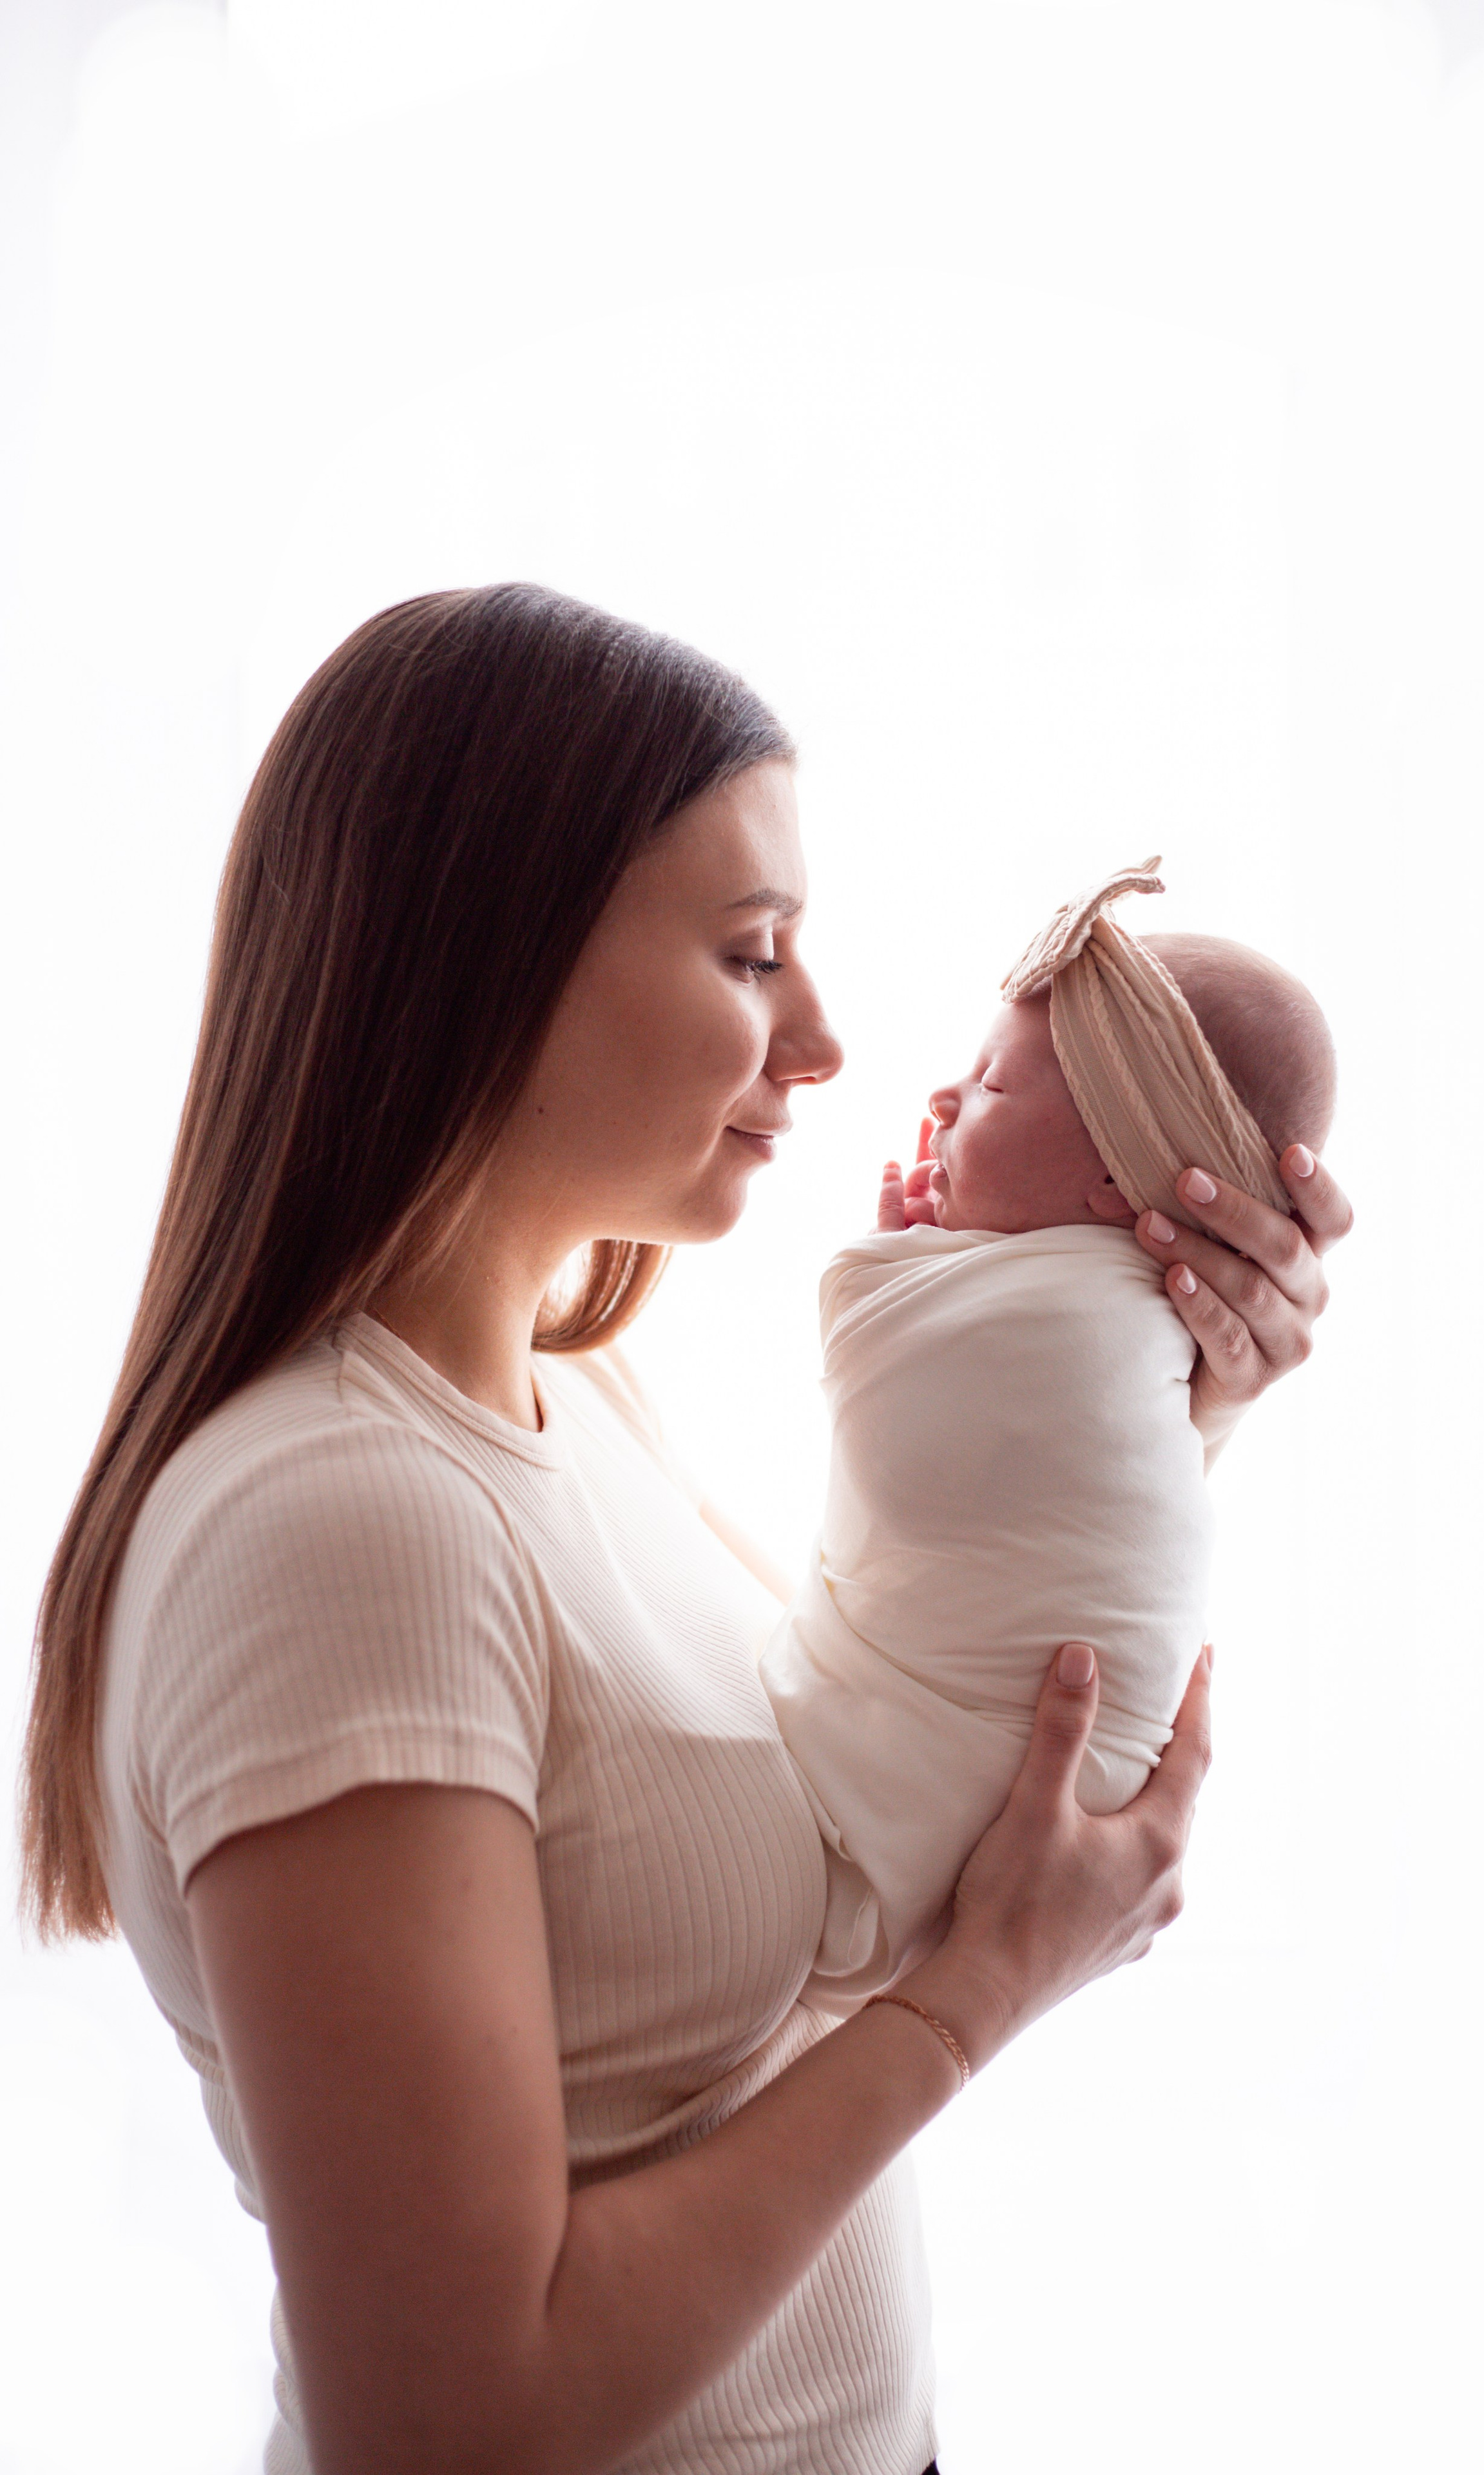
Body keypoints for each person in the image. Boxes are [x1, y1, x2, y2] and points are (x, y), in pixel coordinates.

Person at [18, 585, 1352, 2475]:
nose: (822, 1038)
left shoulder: (571, 1400)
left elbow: (873, 1773)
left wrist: (1168, 1393)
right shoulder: (341, 1528)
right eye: (750, 954)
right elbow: (451, 2417)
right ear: (482, 958)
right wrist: (977, 2001)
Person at [762, 866, 1337, 2010]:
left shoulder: (1100, 1320)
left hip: (973, 1808)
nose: (942, 1095)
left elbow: (903, 1363)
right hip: (1020, 1823)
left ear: (1120, 1181)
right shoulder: (1100, 1306)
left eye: (990, 1086)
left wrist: (906, 1272)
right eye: (745, 954)